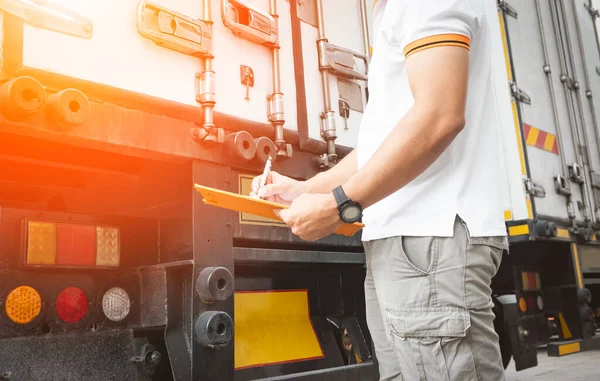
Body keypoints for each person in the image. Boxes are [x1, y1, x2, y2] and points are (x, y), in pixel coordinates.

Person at [251, 0, 508, 379]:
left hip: (428, 244)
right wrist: (304, 189)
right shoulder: (392, 10)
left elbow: (440, 116)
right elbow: (381, 147)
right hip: (405, 246)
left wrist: (340, 206)